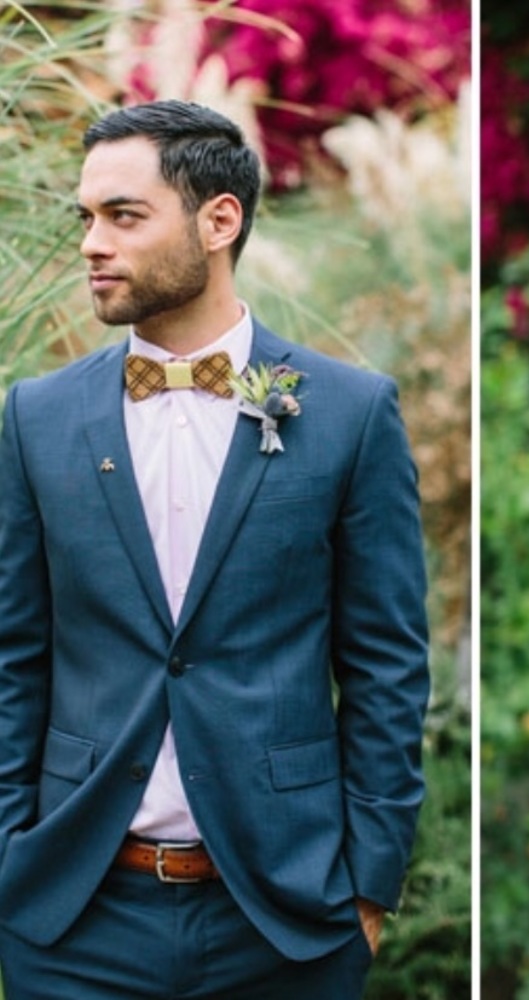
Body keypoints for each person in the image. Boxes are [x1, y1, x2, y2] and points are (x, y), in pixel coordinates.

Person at [0, 99, 429, 999]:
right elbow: (13, 658)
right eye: (87, 218)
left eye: (123, 216)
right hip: (72, 921)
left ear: (219, 219)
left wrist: (368, 887)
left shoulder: (350, 414)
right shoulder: (35, 419)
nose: (90, 243)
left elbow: (387, 664)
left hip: (284, 922)